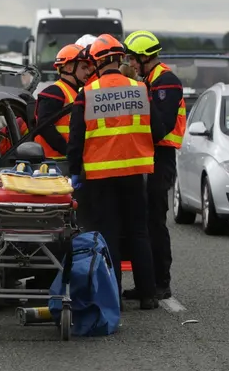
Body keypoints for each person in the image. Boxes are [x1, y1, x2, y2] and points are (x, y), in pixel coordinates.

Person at [65, 35, 161, 310]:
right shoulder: (139, 88)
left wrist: (74, 172)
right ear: (119, 59)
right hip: (134, 172)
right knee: (138, 232)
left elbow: (76, 137)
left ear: (97, 61)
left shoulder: (88, 92)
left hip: (100, 175)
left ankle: (113, 295)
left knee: (108, 234)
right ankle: (148, 294)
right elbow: (157, 127)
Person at [122, 31, 186, 301]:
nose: (131, 63)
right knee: (142, 222)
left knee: (155, 222)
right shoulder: (149, 81)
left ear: (145, 57)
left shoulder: (166, 82)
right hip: (147, 156)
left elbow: (161, 126)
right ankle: (145, 283)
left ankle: (161, 282)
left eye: (133, 59)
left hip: (161, 157)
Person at [33, 44, 92, 167]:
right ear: (69, 68)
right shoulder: (55, 91)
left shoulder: (76, 92)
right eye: (84, 67)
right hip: (53, 164)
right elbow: (44, 126)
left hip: (66, 162)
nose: (88, 72)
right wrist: (68, 151)